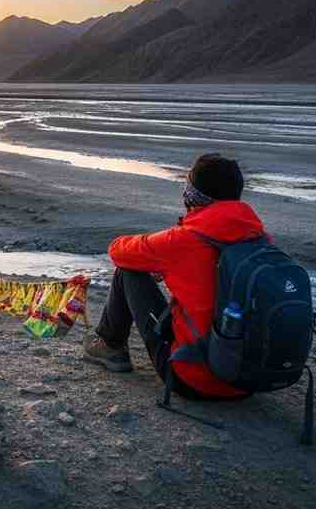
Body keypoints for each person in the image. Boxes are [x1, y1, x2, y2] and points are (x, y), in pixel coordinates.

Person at [83, 153, 258, 400]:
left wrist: (160, 260)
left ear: (191, 194)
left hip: (193, 378)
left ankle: (110, 347)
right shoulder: (256, 237)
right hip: (248, 378)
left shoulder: (187, 240)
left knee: (128, 269)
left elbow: (118, 250)